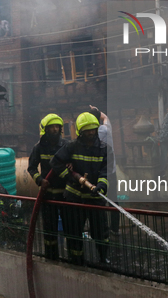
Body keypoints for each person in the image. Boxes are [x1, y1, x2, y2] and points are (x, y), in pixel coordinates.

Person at [51, 112, 112, 266]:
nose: (91, 133)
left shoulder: (105, 149)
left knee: (101, 232)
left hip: (95, 198)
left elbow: (107, 170)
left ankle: (103, 258)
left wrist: (102, 185)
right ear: (80, 132)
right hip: (75, 197)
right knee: (74, 231)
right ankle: (76, 259)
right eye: (87, 130)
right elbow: (55, 163)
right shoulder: (71, 147)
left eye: (93, 130)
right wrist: (72, 177)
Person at [27, 113, 68, 260]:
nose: (55, 129)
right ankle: (51, 257)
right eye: (52, 127)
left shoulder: (65, 146)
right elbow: (31, 168)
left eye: (57, 127)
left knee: (70, 228)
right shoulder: (38, 148)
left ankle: (74, 259)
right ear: (45, 129)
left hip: (65, 195)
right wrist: (40, 180)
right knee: (49, 229)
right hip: (47, 196)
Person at [89, 105, 119, 235]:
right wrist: (97, 111)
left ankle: (102, 228)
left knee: (99, 201)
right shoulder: (107, 129)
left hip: (100, 174)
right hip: (112, 172)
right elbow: (105, 118)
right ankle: (115, 229)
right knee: (113, 200)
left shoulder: (94, 133)